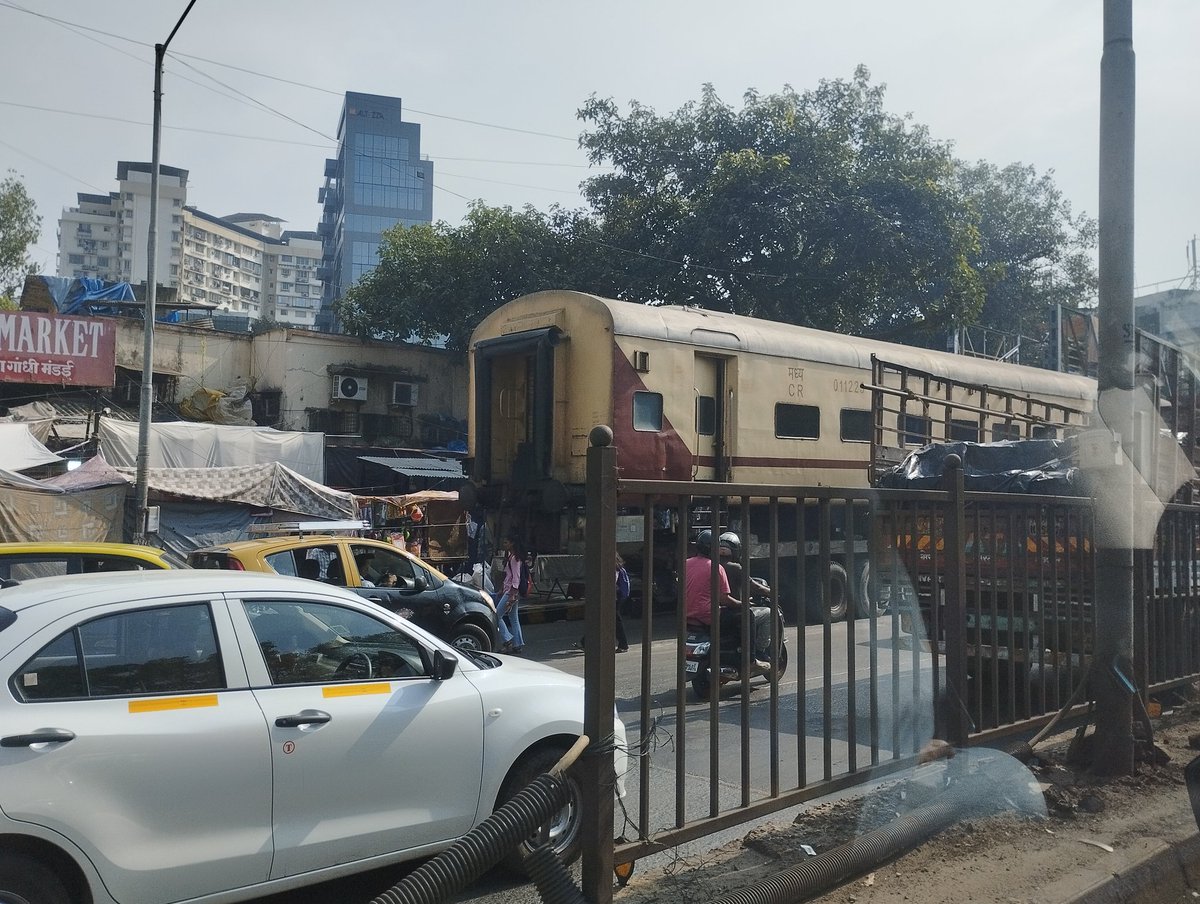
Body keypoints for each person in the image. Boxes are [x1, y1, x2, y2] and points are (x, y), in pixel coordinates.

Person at [685, 529, 773, 675]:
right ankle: (750, 661)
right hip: (709, 616)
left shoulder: (686, 564)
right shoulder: (716, 568)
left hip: (688, 615)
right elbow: (724, 599)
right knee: (748, 615)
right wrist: (743, 604)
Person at [496, 536, 525, 653]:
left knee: (496, 615)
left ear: (512, 543)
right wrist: (501, 589)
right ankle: (517, 644)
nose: (504, 544)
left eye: (506, 542)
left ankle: (507, 639)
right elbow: (509, 576)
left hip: (512, 592)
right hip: (509, 590)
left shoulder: (514, 559)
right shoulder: (511, 557)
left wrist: (512, 595)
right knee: (514, 618)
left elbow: (516, 578)